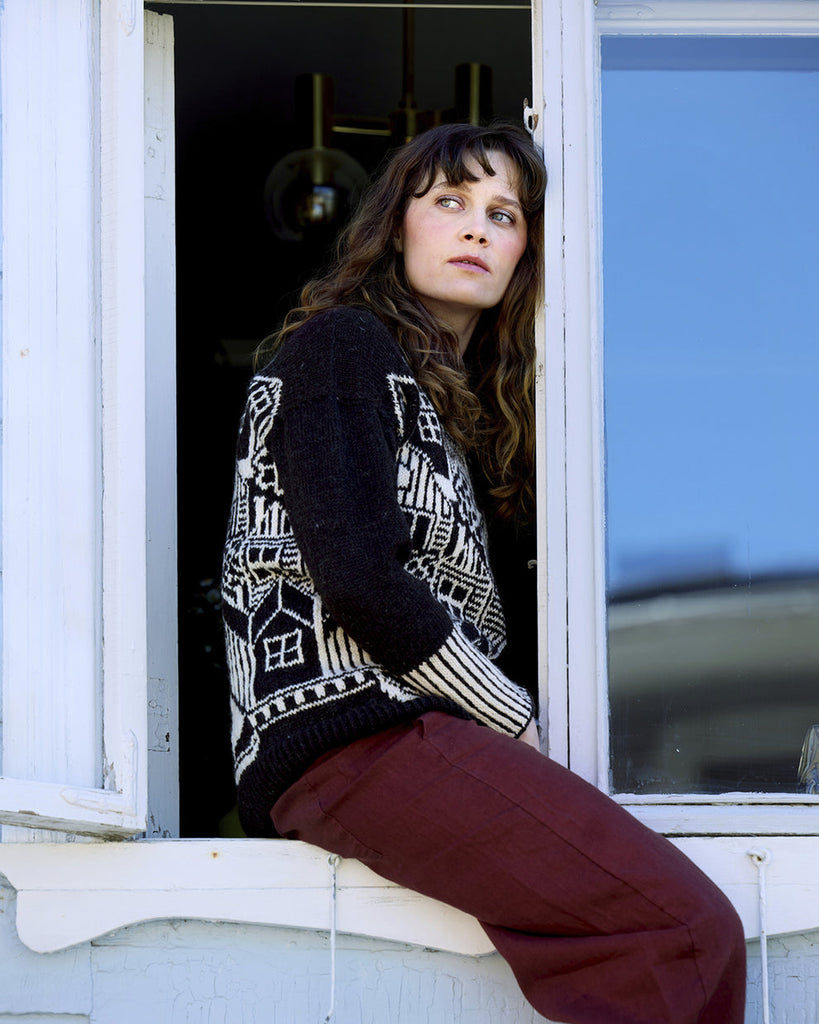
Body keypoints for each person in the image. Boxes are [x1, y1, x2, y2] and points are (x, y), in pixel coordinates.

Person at [221, 122, 746, 1024]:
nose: (474, 228)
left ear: (523, 254)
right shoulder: (342, 348)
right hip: (351, 733)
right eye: (449, 204)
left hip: (398, 739)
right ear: (396, 227)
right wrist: (515, 719)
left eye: (502, 215)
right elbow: (356, 577)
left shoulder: (453, 413)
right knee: (680, 931)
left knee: (670, 931)